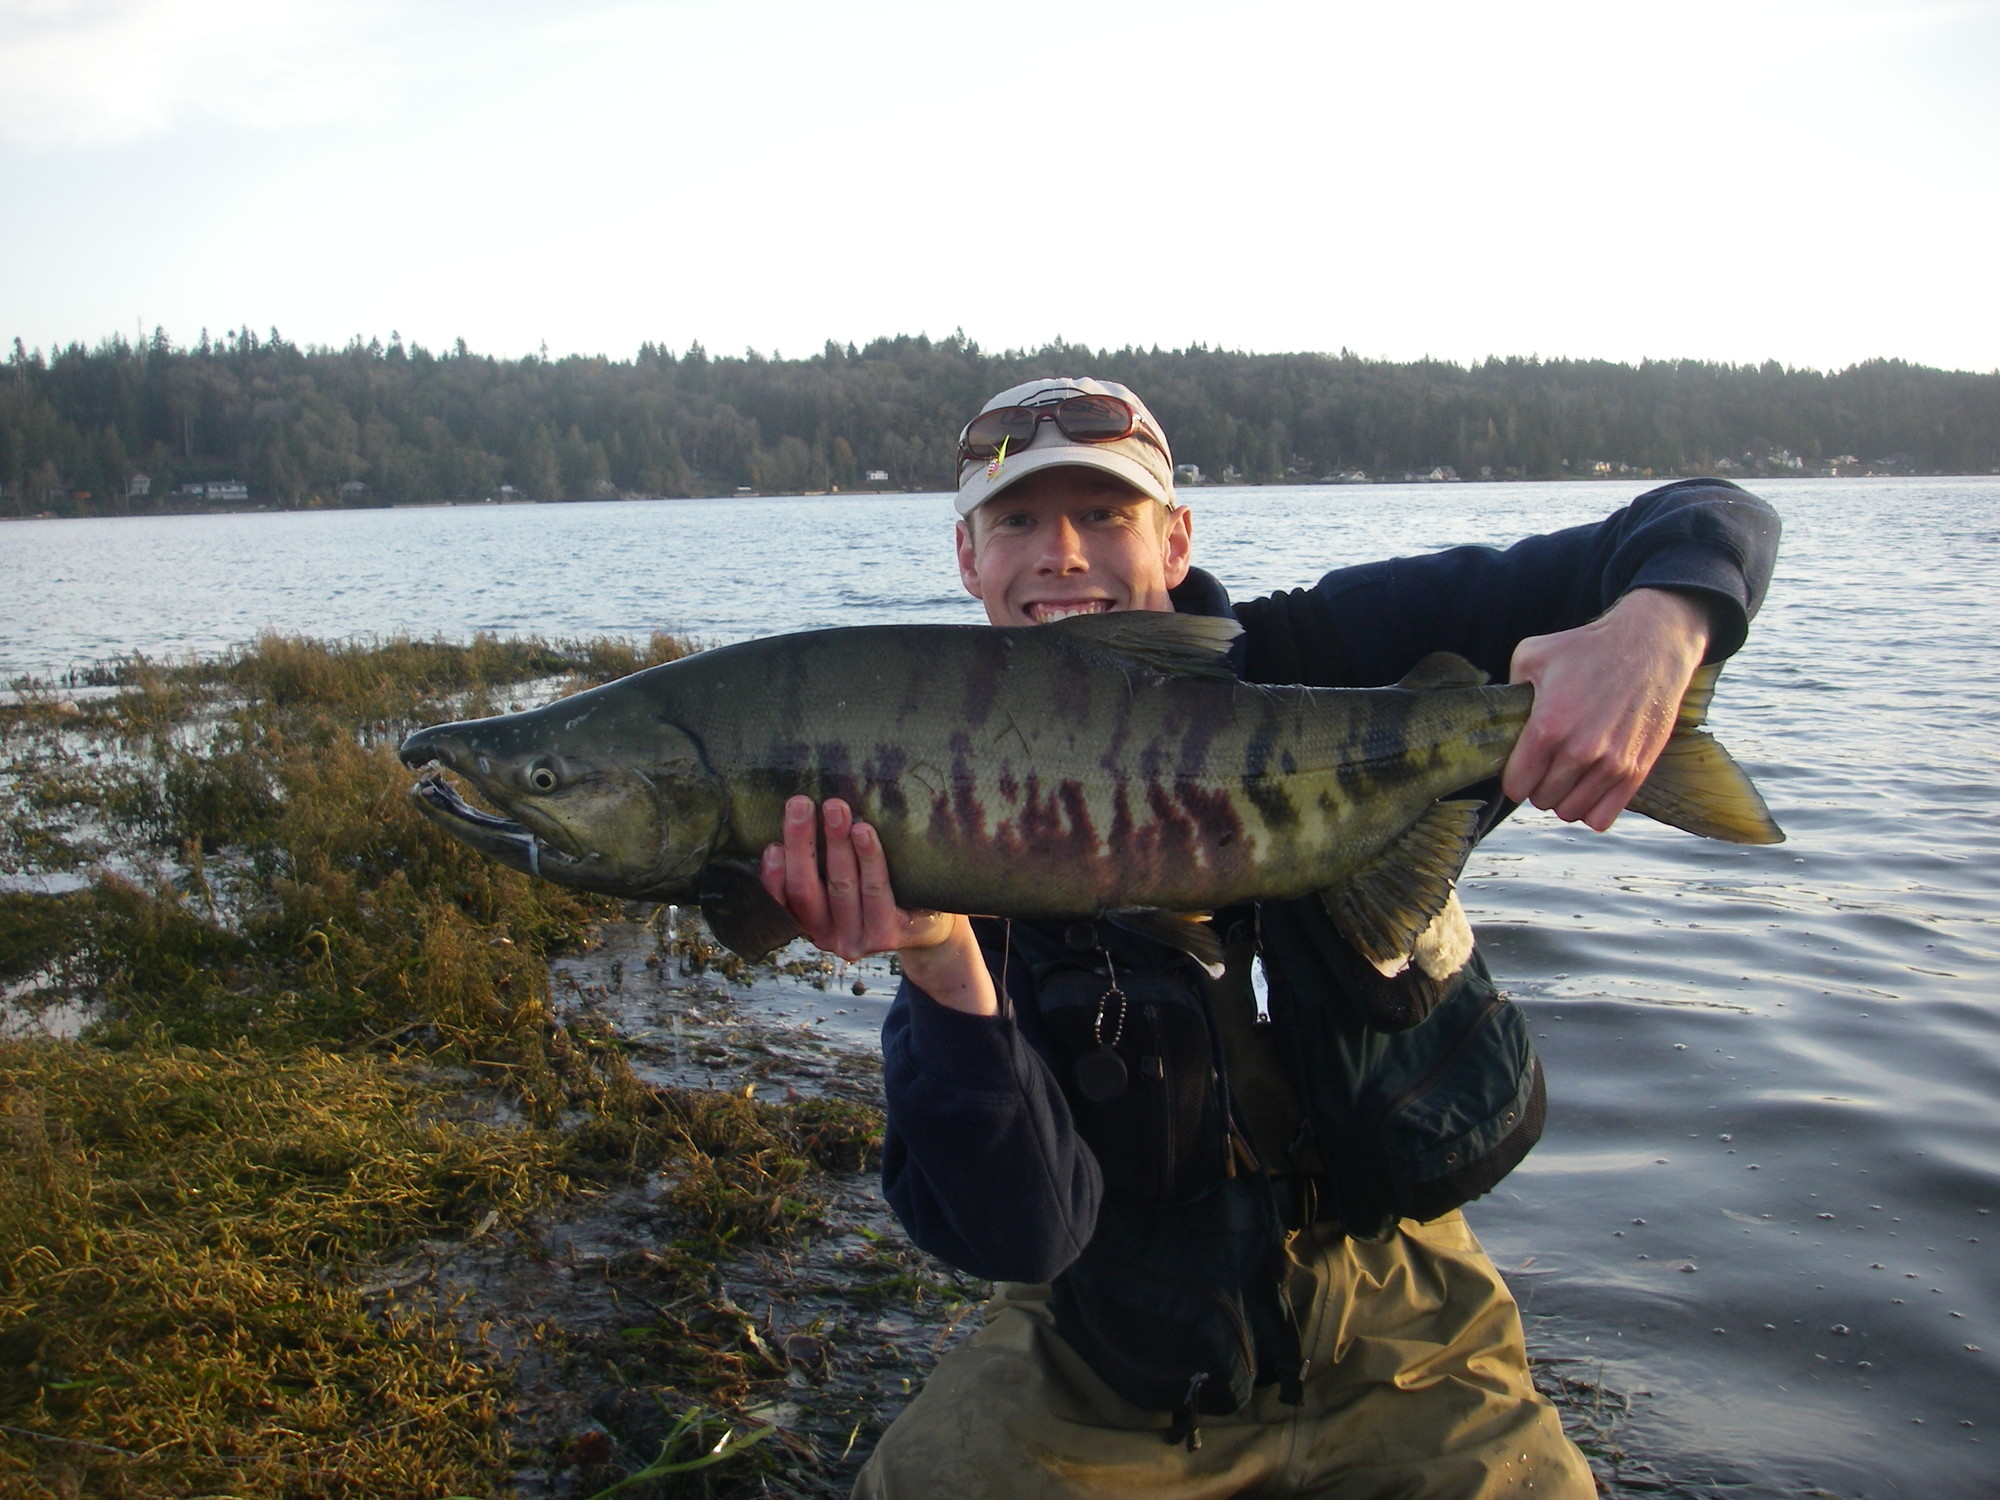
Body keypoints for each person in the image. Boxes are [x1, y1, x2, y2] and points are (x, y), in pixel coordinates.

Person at [757, 377, 1780, 1498]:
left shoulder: (1327, 646)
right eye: (1016, 521)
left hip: (1412, 1323)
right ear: (967, 560)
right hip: (1112, 1345)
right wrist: (940, 959)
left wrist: (1655, 630)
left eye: (1103, 515)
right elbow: (1021, 1235)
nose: (1059, 554)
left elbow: (1706, 518)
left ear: (1175, 534)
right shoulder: (939, 797)